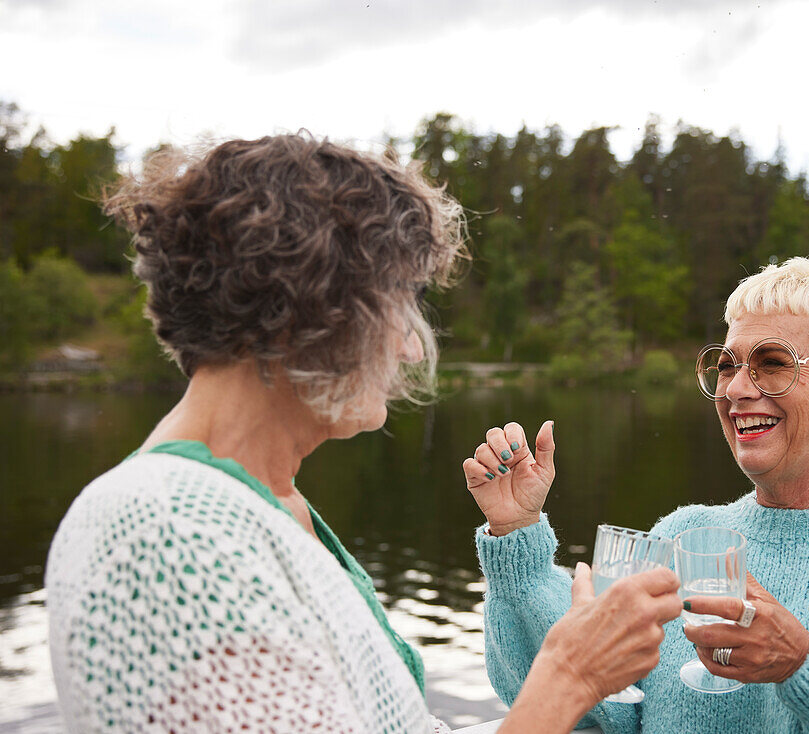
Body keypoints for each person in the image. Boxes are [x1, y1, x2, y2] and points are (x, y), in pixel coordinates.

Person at [45, 134, 681, 734]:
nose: (408, 348)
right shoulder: (168, 532)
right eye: (398, 302)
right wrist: (570, 677)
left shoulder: (255, 506)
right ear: (304, 307)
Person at [464, 258, 809, 733]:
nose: (736, 389)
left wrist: (806, 666)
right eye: (729, 365)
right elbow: (584, 713)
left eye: (773, 364)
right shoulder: (682, 534)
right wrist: (518, 536)